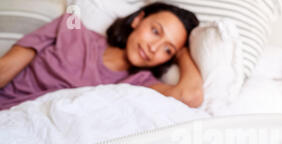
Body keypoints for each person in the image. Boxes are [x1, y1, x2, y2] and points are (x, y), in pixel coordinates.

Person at [0, 2, 203, 111]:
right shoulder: (70, 28)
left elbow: (190, 96)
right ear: (138, 20)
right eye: (156, 31)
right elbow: (5, 67)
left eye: (167, 50)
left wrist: (183, 52)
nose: (154, 48)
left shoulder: (140, 84)